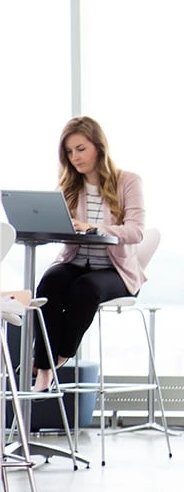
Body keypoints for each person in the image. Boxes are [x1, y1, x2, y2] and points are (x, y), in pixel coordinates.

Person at [33, 117, 146, 390]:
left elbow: (136, 231)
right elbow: (61, 230)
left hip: (114, 271)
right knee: (49, 282)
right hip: (76, 261)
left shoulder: (128, 182)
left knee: (85, 288)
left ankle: (58, 357)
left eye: (80, 149)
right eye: (69, 152)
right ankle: (44, 370)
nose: (75, 158)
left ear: (98, 146)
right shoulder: (69, 186)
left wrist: (94, 228)